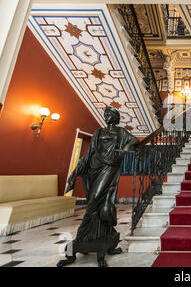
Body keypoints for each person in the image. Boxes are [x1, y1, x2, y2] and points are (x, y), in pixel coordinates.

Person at [59, 107, 140, 267]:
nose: (106, 116)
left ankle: (79, 239)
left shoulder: (121, 132)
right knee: (95, 202)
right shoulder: (98, 132)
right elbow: (89, 153)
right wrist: (75, 172)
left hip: (110, 167)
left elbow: (135, 140)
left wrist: (126, 147)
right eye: (105, 114)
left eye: (109, 114)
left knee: (95, 199)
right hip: (95, 167)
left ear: (115, 117)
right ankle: (87, 239)